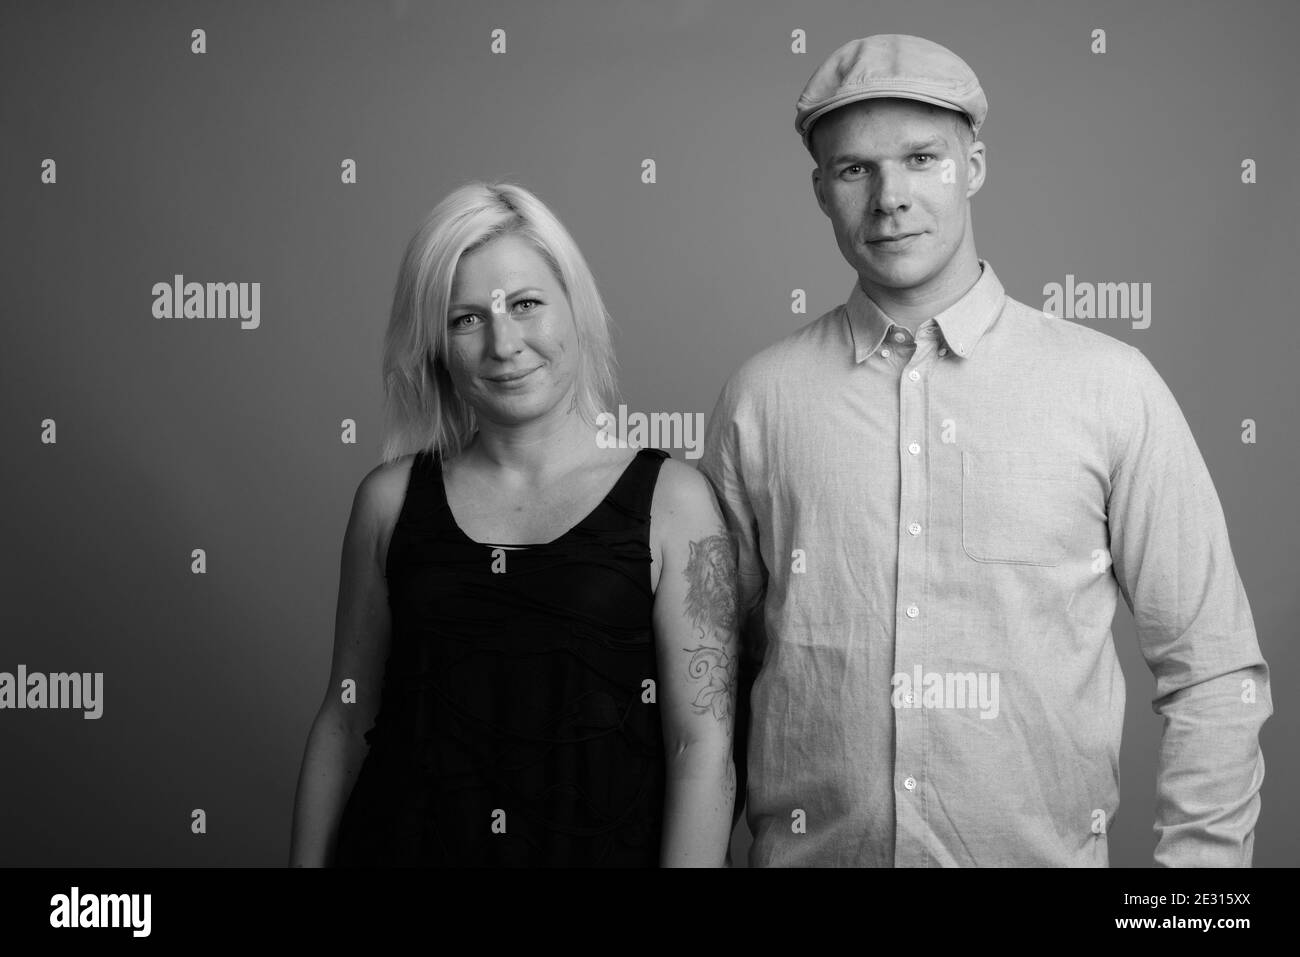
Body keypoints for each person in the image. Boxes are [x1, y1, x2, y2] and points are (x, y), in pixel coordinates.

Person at [699, 34, 1272, 866]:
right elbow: (710, 684)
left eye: (921, 158)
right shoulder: (760, 399)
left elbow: (1213, 669)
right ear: (821, 189)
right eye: (856, 169)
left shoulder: (1111, 385)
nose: (890, 197)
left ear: (973, 166)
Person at [289, 181, 738, 866]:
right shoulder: (388, 500)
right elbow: (345, 718)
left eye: (525, 304)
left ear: (574, 310)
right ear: (434, 343)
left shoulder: (675, 501)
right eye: (466, 318)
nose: (504, 343)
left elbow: (701, 746)